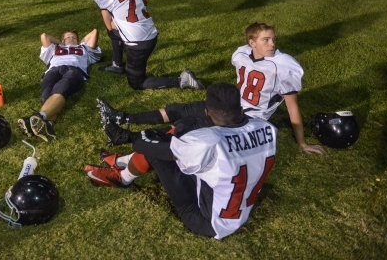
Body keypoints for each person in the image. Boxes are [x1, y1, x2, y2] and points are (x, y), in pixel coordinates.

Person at [97, 22, 325, 155]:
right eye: (266, 40)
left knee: (187, 127)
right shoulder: (241, 54)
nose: (272, 44)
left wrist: (302, 143)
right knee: (179, 109)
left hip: (248, 119)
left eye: (273, 39)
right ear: (251, 43)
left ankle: (126, 136)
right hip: (229, 106)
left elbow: (292, 107)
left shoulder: (285, 66)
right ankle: (121, 117)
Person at [85, 83, 278, 239]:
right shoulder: (268, 128)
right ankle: (123, 161)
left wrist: (144, 135)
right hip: (238, 208)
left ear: (208, 112)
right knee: (175, 141)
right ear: (241, 108)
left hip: (205, 220)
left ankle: (122, 178)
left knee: (157, 149)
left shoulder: (207, 142)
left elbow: (144, 146)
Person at [93, 0, 203, 91]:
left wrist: (109, 13)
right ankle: (116, 64)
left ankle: (182, 80)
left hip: (138, 43)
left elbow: (110, 25)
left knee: (136, 83)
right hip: (150, 31)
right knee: (114, 33)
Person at [18, 29, 101, 142]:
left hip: (74, 69)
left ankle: (40, 117)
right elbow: (44, 36)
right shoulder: (55, 48)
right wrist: (61, 43)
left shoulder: (83, 48)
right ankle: (47, 126)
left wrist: (79, 42)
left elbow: (94, 32)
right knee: (46, 95)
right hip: (53, 70)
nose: (71, 38)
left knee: (61, 88)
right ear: (62, 40)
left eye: (73, 37)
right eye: (68, 37)